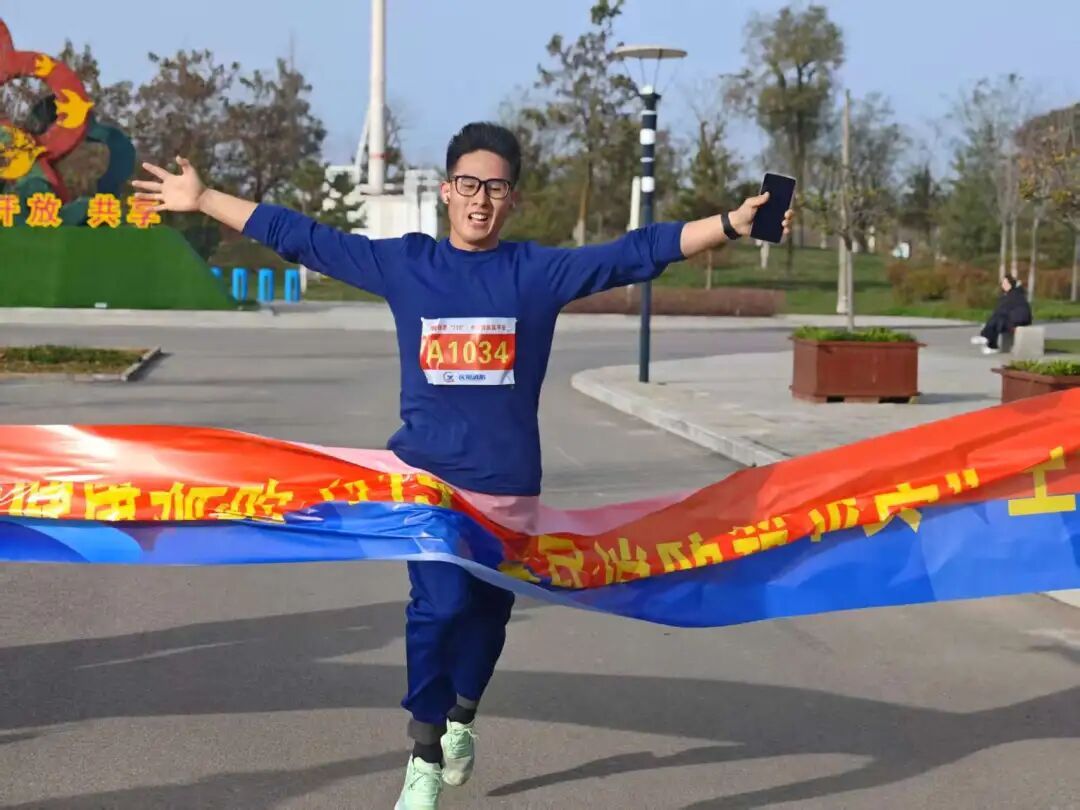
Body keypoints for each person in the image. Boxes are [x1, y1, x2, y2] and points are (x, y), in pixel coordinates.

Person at [134, 122, 793, 810]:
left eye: (496, 188)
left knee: (486, 618)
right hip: (427, 484)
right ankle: (422, 748)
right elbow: (306, 238)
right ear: (447, 191)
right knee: (438, 607)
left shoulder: (534, 274)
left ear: (512, 200)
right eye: (469, 184)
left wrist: (730, 224)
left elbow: (633, 254)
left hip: (508, 486)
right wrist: (205, 199)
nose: (481, 199)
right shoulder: (408, 264)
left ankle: (462, 716)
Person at [971, 275, 1033, 354]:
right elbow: (1001, 310)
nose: (1003, 285)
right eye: (1003, 283)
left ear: (1011, 284)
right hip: (1010, 319)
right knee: (996, 319)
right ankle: (989, 342)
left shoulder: (1015, 295)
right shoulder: (1007, 295)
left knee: (998, 320)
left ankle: (988, 341)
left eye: (1006, 283)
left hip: (1019, 321)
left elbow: (1017, 312)